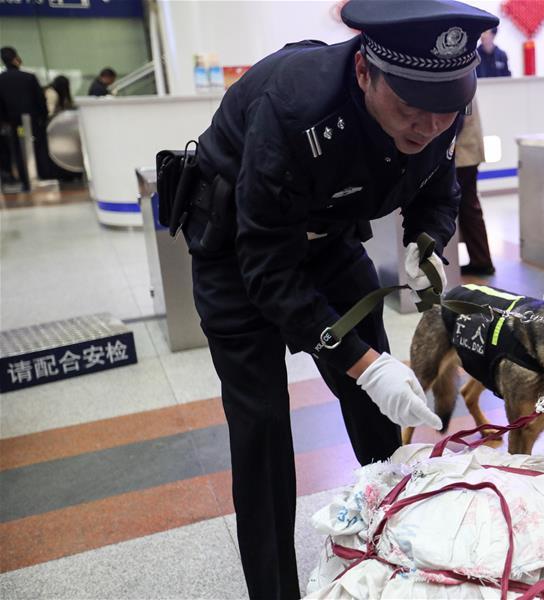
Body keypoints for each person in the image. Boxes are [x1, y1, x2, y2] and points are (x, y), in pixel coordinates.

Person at [183, 1, 498, 597]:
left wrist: (426, 240)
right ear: (363, 72)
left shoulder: (441, 102)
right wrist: (363, 363)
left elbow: (439, 187)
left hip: (329, 239)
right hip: (237, 246)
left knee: (378, 406)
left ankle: (395, 552)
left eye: (444, 112)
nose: (428, 126)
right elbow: (268, 272)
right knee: (262, 426)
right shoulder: (294, 107)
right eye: (409, 109)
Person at [455, 96, 495, 276]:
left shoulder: (458, 83)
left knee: (467, 207)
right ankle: (480, 259)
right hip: (467, 151)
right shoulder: (464, 81)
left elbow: (459, 119)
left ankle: (481, 260)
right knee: (468, 207)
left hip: (462, 153)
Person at [0, 46, 50, 188]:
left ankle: (25, 178)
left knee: (19, 149)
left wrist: (5, 120)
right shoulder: (29, 77)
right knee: (37, 147)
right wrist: (43, 117)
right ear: (16, 58)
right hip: (33, 121)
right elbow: (41, 100)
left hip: (15, 123)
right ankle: (41, 174)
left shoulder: (1, 80)